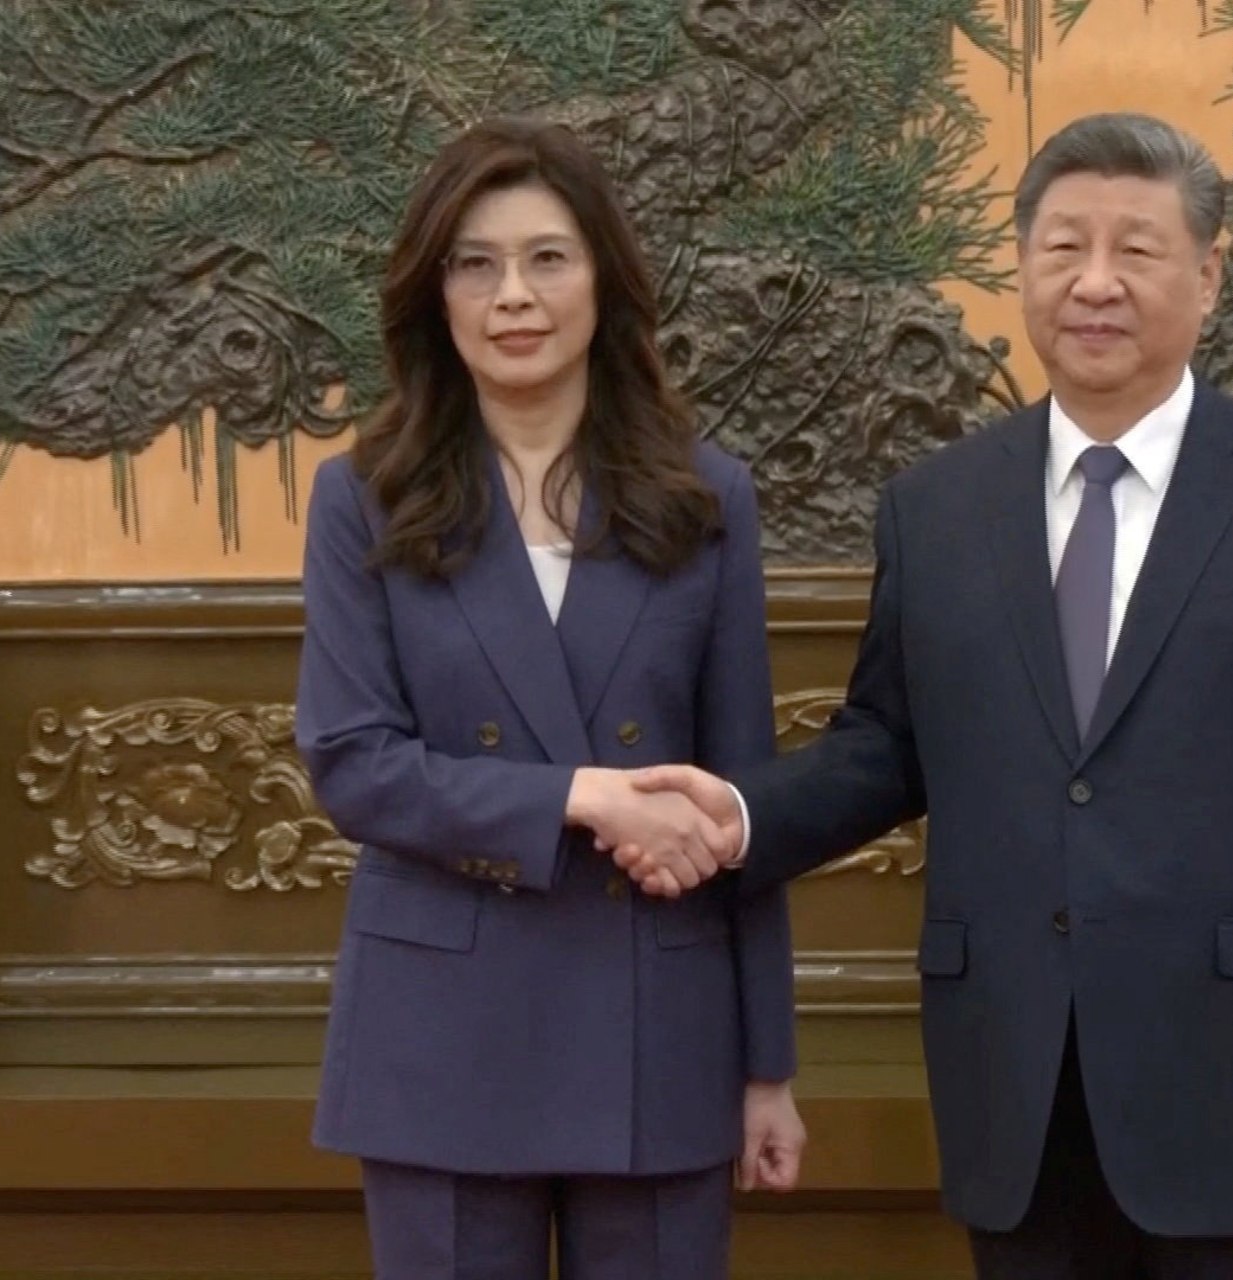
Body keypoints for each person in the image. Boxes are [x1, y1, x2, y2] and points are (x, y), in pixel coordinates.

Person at [615, 112, 1233, 1280]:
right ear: (1020, 270)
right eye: (1063, 247)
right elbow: (886, 745)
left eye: (1137, 248)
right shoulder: (938, 507)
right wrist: (740, 818)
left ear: (1210, 276)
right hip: (1019, 1084)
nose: (1096, 282)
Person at [295, 117, 805, 1280]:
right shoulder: (363, 496)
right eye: (475, 263)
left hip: (662, 1031)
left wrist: (767, 1063)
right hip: (442, 1033)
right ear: (435, 295)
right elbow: (355, 759)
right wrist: (584, 795)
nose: (512, 295)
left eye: (547, 258)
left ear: (604, 283)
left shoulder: (704, 495)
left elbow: (744, 802)